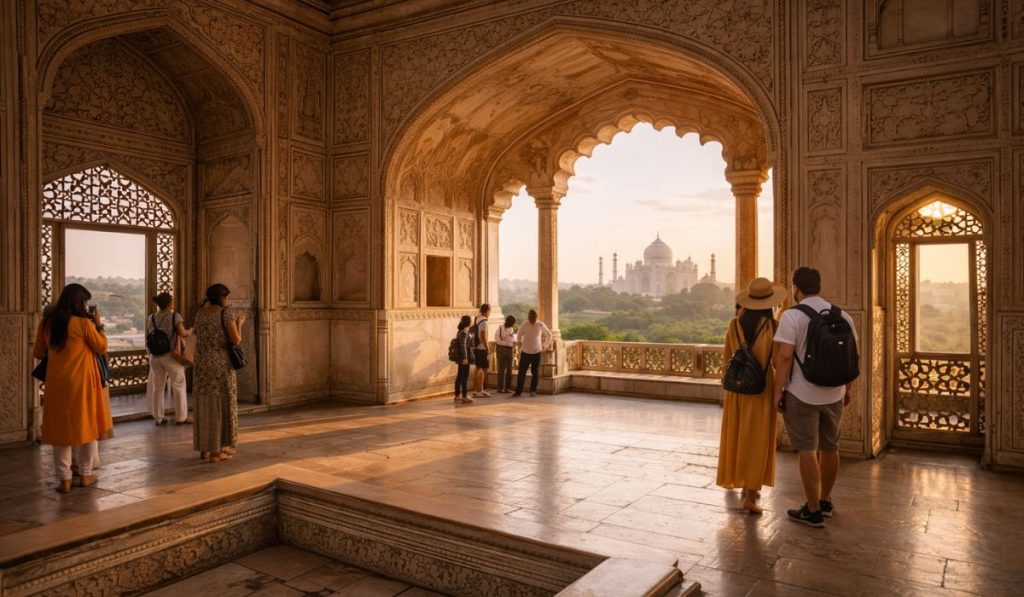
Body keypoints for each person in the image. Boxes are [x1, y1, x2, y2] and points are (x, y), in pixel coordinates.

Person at [773, 267, 858, 527]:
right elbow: (852, 357)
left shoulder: (792, 316)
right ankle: (825, 501)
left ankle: (812, 510)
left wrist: (777, 391)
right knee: (830, 448)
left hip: (802, 393)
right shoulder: (842, 315)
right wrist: (847, 390)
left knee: (807, 449)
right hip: (834, 393)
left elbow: (784, 357)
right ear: (818, 286)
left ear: (796, 287)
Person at [32, 284, 113, 493]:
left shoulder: (47, 323)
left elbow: (38, 352)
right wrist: (99, 325)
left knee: (60, 429)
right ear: (79, 302)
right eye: (85, 302)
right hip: (83, 382)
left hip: (56, 383)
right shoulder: (83, 323)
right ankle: (85, 474)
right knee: (88, 425)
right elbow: (102, 347)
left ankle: (64, 480)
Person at [716, 277, 787, 514]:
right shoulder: (773, 327)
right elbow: (777, 361)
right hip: (761, 389)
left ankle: (737, 479)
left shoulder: (734, 324)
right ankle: (750, 494)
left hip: (737, 389)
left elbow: (727, 358)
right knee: (757, 439)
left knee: (737, 435)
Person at [192, 283, 246, 463]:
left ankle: (205, 448)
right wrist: (239, 324)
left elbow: (197, 334)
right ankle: (216, 452)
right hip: (220, 364)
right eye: (227, 297)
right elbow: (236, 340)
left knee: (205, 404)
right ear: (221, 298)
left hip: (202, 364)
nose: (228, 300)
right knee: (220, 404)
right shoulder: (225, 313)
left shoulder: (200, 314)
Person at [145, 292, 192, 426]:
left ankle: (159, 418)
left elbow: (150, 334)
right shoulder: (175, 316)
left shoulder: (151, 318)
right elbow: (182, 333)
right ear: (170, 303)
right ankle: (181, 418)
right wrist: (191, 330)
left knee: (158, 387)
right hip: (170, 356)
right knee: (178, 385)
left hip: (155, 356)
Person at [512, 309, 553, 397]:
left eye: (534, 317)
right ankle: (518, 391)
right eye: (531, 317)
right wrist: (520, 344)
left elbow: (550, 335)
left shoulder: (540, 324)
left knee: (535, 373)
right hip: (525, 352)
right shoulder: (524, 324)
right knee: (522, 373)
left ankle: (533, 390)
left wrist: (545, 345)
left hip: (537, 352)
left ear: (536, 317)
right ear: (528, 317)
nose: (533, 319)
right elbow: (519, 335)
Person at [471, 303, 491, 398]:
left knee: (477, 368)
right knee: (482, 369)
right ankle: (480, 390)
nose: (489, 313)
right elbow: (483, 337)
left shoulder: (477, 319)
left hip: (476, 347)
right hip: (482, 348)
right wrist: (487, 348)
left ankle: (476, 390)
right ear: (487, 311)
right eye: (489, 311)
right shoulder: (484, 322)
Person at [453, 315, 474, 404]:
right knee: (464, 377)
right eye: (471, 321)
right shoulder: (464, 333)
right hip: (464, 357)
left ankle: (457, 395)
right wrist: (465, 358)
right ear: (468, 322)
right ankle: (464, 396)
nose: (472, 322)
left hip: (461, 357)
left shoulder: (461, 331)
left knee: (460, 376)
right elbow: (463, 346)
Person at [494, 315, 517, 393]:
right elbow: (497, 339)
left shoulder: (511, 329)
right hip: (501, 349)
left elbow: (512, 339)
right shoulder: (500, 328)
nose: (513, 324)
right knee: (501, 369)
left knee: (509, 369)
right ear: (509, 322)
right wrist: (506, 342)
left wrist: (508, 340)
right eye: (513, 323)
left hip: (509, 350)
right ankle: (500, 388)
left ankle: (507, 387)